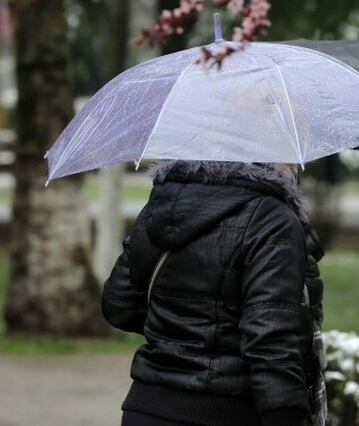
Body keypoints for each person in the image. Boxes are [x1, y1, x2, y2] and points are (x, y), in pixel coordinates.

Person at [102, 160, 326, 426]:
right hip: (226, 411)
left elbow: (119, 304)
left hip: (146, 407)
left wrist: (183, 328)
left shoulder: (163, 204)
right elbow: (271, 340)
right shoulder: (272, 218)